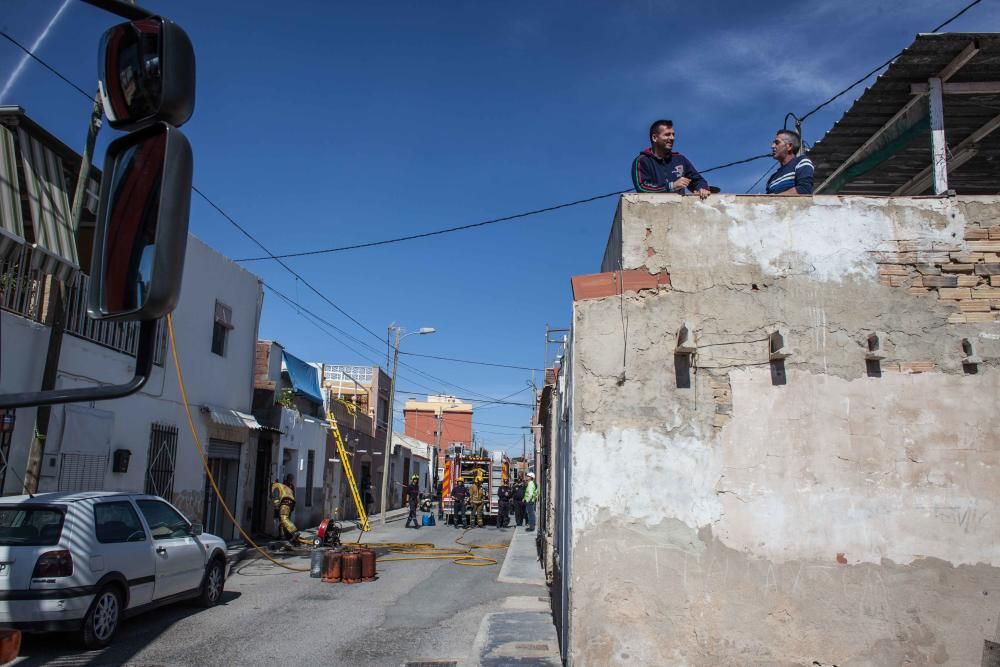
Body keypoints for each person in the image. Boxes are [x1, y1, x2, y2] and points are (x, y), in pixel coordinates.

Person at [631, 119, 712, 200]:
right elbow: (642, 188)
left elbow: (697, 180)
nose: (672, 138)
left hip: (679, 210)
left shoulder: (680, 159)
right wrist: (671, 186)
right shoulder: (642, 161)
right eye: (667, 134)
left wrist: (702, 188)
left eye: (673, 134)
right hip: (654, 210)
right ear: (655, 138)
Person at [766, 130, 814, 195]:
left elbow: (804, 189)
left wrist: (775, 198)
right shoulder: (772, 179)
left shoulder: (801, 162)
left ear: (789, 146)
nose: (772, 146)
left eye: (777, 143)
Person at [270, 474, 299, 542]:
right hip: (289, 503)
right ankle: (285, 536)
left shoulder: (275, 486)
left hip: (285, 502)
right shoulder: (284, 486)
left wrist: (276, 507)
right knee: (283, 520)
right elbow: (293, 496)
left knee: (284, 518)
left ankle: (294, 532)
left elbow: (276, 498)